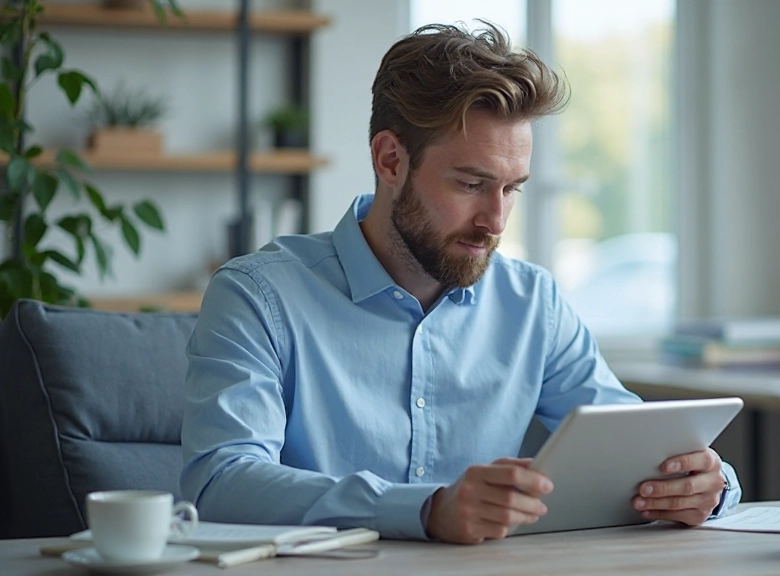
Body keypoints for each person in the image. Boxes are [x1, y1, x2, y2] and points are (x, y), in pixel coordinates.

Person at [180, 21, 741, 545]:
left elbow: (636, 446)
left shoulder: (532, 304)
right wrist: (425, 510)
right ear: (390, 160)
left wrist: (704, 485)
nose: (496, 221)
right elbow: (220, 484)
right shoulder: (258, 296)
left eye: (513, 188)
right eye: (472, 184)